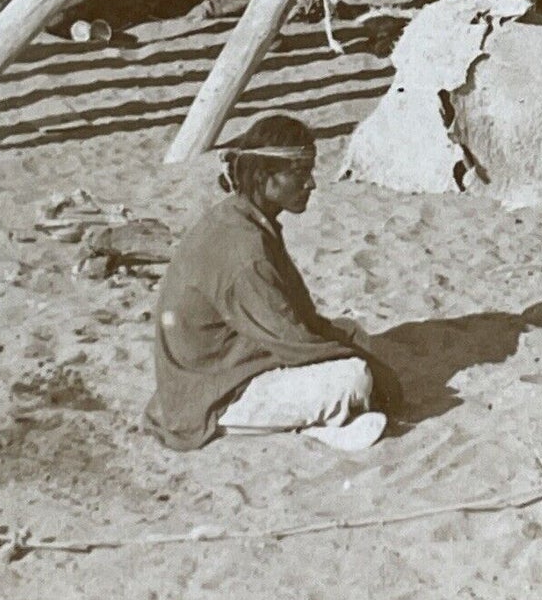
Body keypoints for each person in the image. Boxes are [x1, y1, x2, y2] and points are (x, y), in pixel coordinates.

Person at [144, 114, 401, 453]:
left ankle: (324, 420)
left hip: (216, 367)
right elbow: (293, 340)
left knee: (352, 335)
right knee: (355, 377)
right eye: (300, 173)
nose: (311, 183)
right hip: (211, 394)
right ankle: (293, 425)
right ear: (266, 177)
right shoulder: (245, 252)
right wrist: (375, 372)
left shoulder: (242, 218)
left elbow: (286, 321)